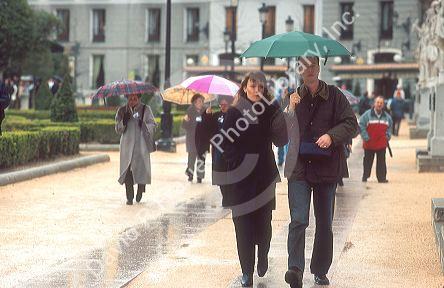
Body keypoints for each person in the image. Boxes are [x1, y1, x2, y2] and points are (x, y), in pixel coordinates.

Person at [284, 56, 358, 288]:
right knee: (298, 219)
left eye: (312, 65)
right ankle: (295, 269)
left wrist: (331, 136)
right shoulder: (293, 97)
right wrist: (290, 109)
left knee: (324, 223)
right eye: (303, 66)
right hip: (299, 168)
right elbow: (280, 133)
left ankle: (320, 270)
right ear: (299, 70)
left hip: (326, 168)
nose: (309, 70)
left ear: (318, 68)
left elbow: (351, 124)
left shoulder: (335, 95)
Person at [221, 71, 288, 287]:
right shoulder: (233, 112)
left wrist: (287, 112)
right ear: (245, 86)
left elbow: (281, 139)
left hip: (263, 176)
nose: (256, 90)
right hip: (240, 179)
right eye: (252, 85)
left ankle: (263, 255)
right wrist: (236, 163)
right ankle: (246, 272)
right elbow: (224, 144)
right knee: (242, 225)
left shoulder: (270, 109)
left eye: (260, 86)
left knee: (263, 223)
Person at [115, 94, 157, 205]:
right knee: (127, 170)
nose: (132, 101)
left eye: (135, 99)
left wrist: (143, 125)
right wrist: (123, 121)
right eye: (130, 99)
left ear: (139, 99)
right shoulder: (122, 110)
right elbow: (118, 129)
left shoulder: (146, 109)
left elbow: (153, 124)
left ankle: (141, 188)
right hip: (127, 146)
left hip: (141, 145)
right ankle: (129, 196)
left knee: (141, 169)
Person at [199, 96, 233, 190]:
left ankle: (229, 196)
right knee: (220, 172)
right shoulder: (217, 115)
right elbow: (207, 128)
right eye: (221, 105)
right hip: (217, 149)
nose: (222, 107)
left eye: (225, 105)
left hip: (229, 149)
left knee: (229, 174)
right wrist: (207, 115)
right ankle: (225, 197)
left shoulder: (233, 116)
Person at [359, 96, 393, 183]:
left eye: (381, 103)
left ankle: (381, 178)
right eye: (378, 102)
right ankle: (365, 176)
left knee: (381, 162)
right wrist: (366, 137)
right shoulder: (366, 115)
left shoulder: (387, 117)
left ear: (383, 105)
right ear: (374, 103)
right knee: (367, 161)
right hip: (369, 143)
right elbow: (361, 125)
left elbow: (390, 128)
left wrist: (387, 137)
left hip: (381, 144)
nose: (379, 104)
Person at [182, 94, 207, 183]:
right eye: (199, 101)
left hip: (202, 139)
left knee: (201, 159)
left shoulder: (205, 110)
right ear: (194, 102)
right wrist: (185, 120)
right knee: (191, 159)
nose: (201, 103)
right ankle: (190, 174)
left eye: (202, 101)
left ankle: (200, 177)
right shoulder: (190, 110)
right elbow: (184, 126)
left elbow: (209, 124)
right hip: (192, 139)